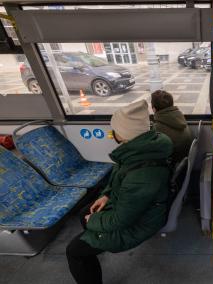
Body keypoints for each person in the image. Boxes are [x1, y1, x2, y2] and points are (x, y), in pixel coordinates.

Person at [66, 99, 173, 284]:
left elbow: (120, 220)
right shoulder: (140, 150)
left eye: (115, 129)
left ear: (124, 134)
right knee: (84, 213)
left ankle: (92, 247)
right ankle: (95, 244)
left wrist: (94, 221)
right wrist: (106, 195)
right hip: (134, 208)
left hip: (139, 223)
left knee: (74, 251)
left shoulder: (143, 174)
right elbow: (119, 175)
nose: (112, 133)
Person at [151, 90, 193, 166]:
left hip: (171, 166)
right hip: (181, 163)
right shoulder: (179, 118)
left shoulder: (157, 129)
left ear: (154, 109)